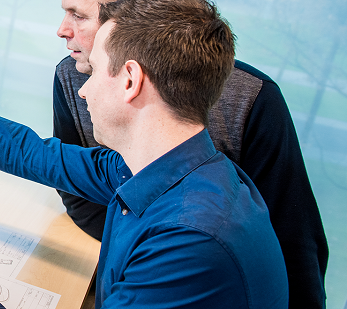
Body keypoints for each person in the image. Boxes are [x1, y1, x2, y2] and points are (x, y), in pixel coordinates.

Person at [0, 0, 289, 307]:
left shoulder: (188, 242)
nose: (85, 89)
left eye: (97, 71)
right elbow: (31, 152)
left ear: (130, 80)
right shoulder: (166, 169)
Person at [53, 0, 328, 307]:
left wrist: (150, 254)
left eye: (79, 16)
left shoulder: (189, 234)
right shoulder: (165, 165)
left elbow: (296, 243)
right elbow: (62, 165)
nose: (61, 30)